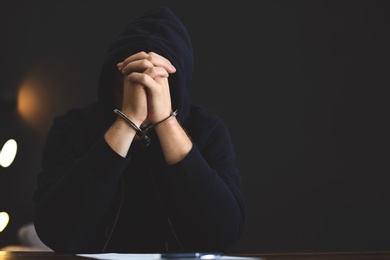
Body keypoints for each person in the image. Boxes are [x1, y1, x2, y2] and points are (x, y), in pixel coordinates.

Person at [32, 6, 247, 253]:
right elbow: (55, 232)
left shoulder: (208, 131)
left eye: (155, 85)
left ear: (175, 89)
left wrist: (166, 121)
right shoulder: (73, 128)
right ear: (111, 82)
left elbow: (225, 234)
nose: (143, 97)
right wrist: (127, 122)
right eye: (130, 85)